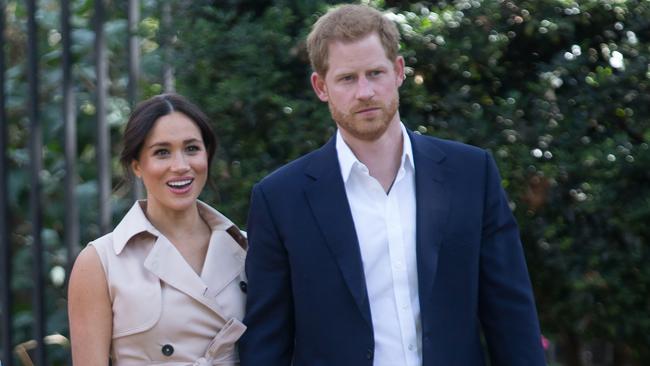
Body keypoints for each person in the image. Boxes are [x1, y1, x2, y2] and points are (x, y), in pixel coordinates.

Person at [240, 4, 546, 366]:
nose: (365, 91)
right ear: (321, 86)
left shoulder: (471, 174)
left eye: (375, 73)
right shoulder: (280, 199)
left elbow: (511, 315)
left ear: (398, 71)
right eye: (347, 78)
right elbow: (266, 343)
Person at [68, 93, 248, 365]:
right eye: (162, 152)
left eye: (192, 149)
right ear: (137, 165)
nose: (181, 166)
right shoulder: (100, 262)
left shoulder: (249, 248)